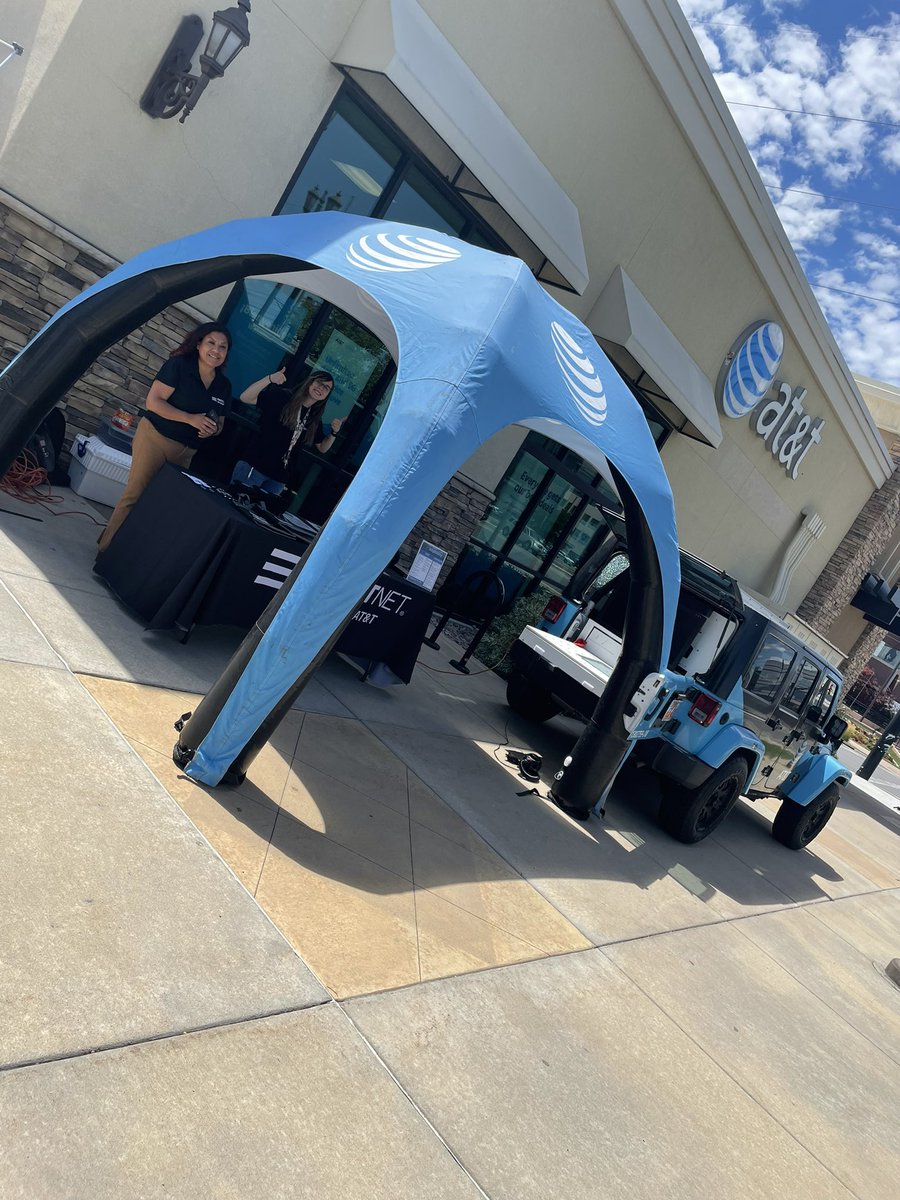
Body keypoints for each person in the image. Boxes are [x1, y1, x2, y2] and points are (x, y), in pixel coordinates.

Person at [96, 322, 232, 555]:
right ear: (198, 344)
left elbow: (220, 424)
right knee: (136, 494)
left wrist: (212, 430)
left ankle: (130, 555)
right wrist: (190, 418)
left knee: (161, 504)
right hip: (155, 438)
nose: (216, 350)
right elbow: (154, 402)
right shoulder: (179, 366)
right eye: (211, 343)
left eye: (223, 347)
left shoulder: (224, 386)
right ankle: (106, 550)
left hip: (186, 452)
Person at [231, 368, 342, 496]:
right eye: (319, 383)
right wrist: (269, 379)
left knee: (257, 515)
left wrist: (334, 433)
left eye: (326, 388)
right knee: (236, 504)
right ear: (310, 382)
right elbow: (245, 397)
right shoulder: (283, 397)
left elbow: (322, 447)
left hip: (279, 479)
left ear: (327, 395)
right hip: (254, 466)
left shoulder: (314, 418)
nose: (321, 388)